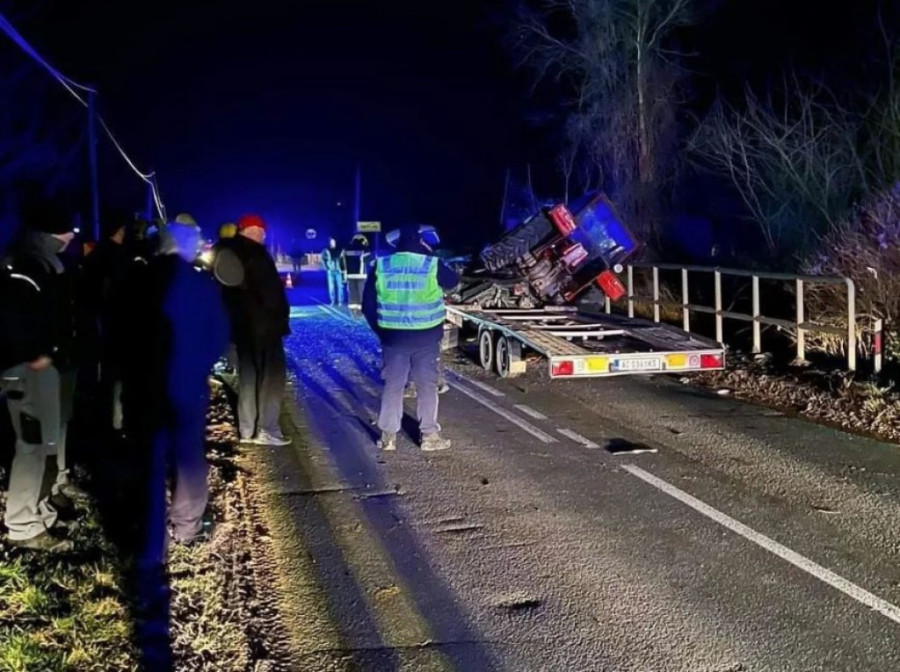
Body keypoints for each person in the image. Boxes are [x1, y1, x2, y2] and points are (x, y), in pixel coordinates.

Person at [123, 217, 228, 552]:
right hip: (187, 384)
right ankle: (187, 526)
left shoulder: (137, 280)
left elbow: (117, 332)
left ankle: (154, 533)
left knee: (149, 453)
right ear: (189, 248)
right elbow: (219, 336)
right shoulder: (203, 285)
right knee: (188, 454)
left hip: (142, 383)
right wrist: (200, 367)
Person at [1, 197, 84, 552]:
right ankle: (21, 525)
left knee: (45, 442)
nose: (73, 237)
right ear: (54, 231)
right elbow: (14, 317)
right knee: (31, 446)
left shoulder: (45, 262)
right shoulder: (28, 264)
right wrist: (33, 355)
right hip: (27, 369)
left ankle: (39, 510)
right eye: (70, 230)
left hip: (45, 365)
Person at [362, 225, 458, 452]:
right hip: (426, 337)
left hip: (393, 338)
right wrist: (431, 255)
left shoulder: (381, 265)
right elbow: (453, 281)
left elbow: (368, 305)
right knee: (427, 385)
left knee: (393, 385)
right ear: (421, 243)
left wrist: (383, 331)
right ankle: (430, 436)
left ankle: (388, 437)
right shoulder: (431, 264)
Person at [221, 214, 291, 446]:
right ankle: (267, 430)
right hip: (264, 328)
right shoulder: (257, 254)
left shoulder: (227, 253)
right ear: (254, 230)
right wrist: (280, 317)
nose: (263, 237)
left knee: (248, 378)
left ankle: (247, 430)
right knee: (271, 378)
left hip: (240, 328)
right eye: (261, 232)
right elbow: (270, 294)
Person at [343, 233, 370, 316]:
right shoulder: (365, 249)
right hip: (361, 275)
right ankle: (361, 311)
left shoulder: (346, 249)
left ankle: (353, 311)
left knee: (352, 293)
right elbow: (369, 261)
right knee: (361, 293)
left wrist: (344, 274)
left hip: (350, 275)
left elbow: (342, 262)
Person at [322, 237, 345, 306]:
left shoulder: (339, 250)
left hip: (338, 271)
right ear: (330, 242)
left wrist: (343, 269)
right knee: (331, 287)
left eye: (334, 241)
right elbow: (323, 259)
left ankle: (340, 301)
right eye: (332, 242)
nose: (333, 243)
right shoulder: (326, 250)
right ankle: (332, 300)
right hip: (330, 271)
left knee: (340, 286)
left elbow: (343, 260)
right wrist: (327, 267)